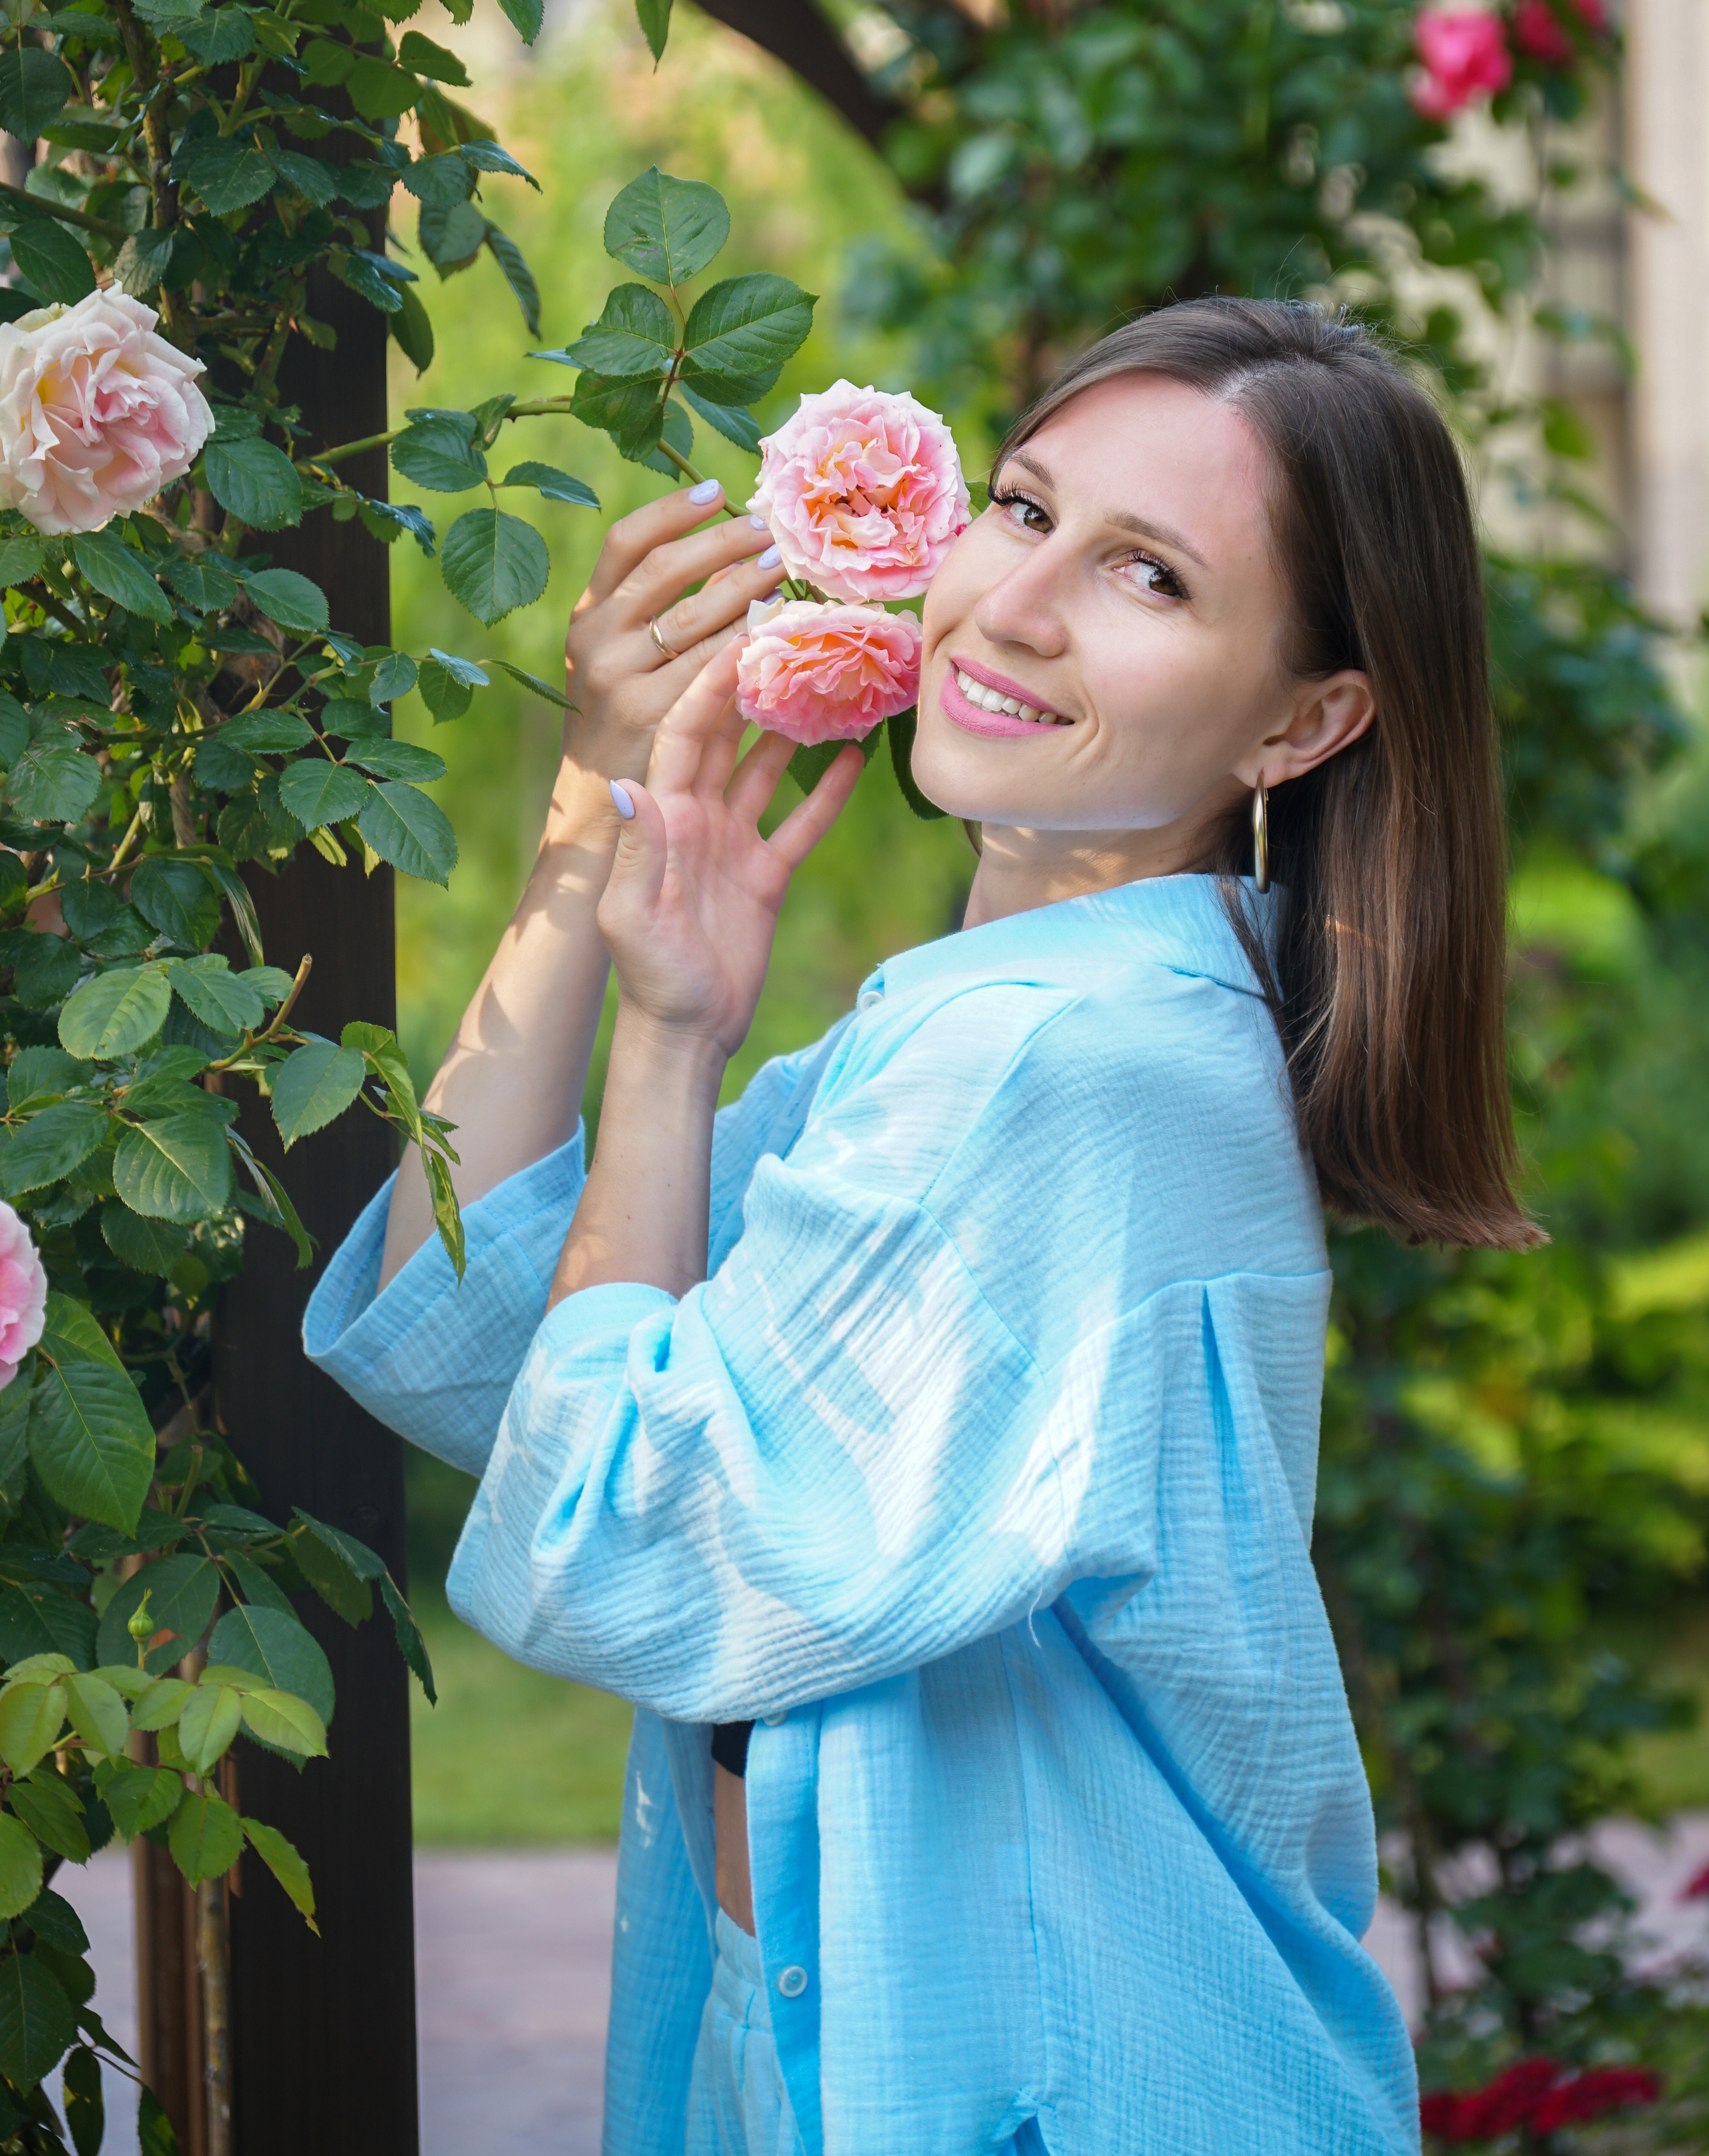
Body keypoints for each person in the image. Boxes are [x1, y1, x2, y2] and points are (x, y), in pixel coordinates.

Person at [306, 298, 1534, 2156]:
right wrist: (600, 815)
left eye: (1148, 577)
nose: (1018, 608)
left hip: (1044, 2081)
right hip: (837, 2029)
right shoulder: (1004, 1016)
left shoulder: (1063, 1070)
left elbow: (608, 1519)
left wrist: (670, 1041)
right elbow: (472, 1328)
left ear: (1306, 718)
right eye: (1026, 508)